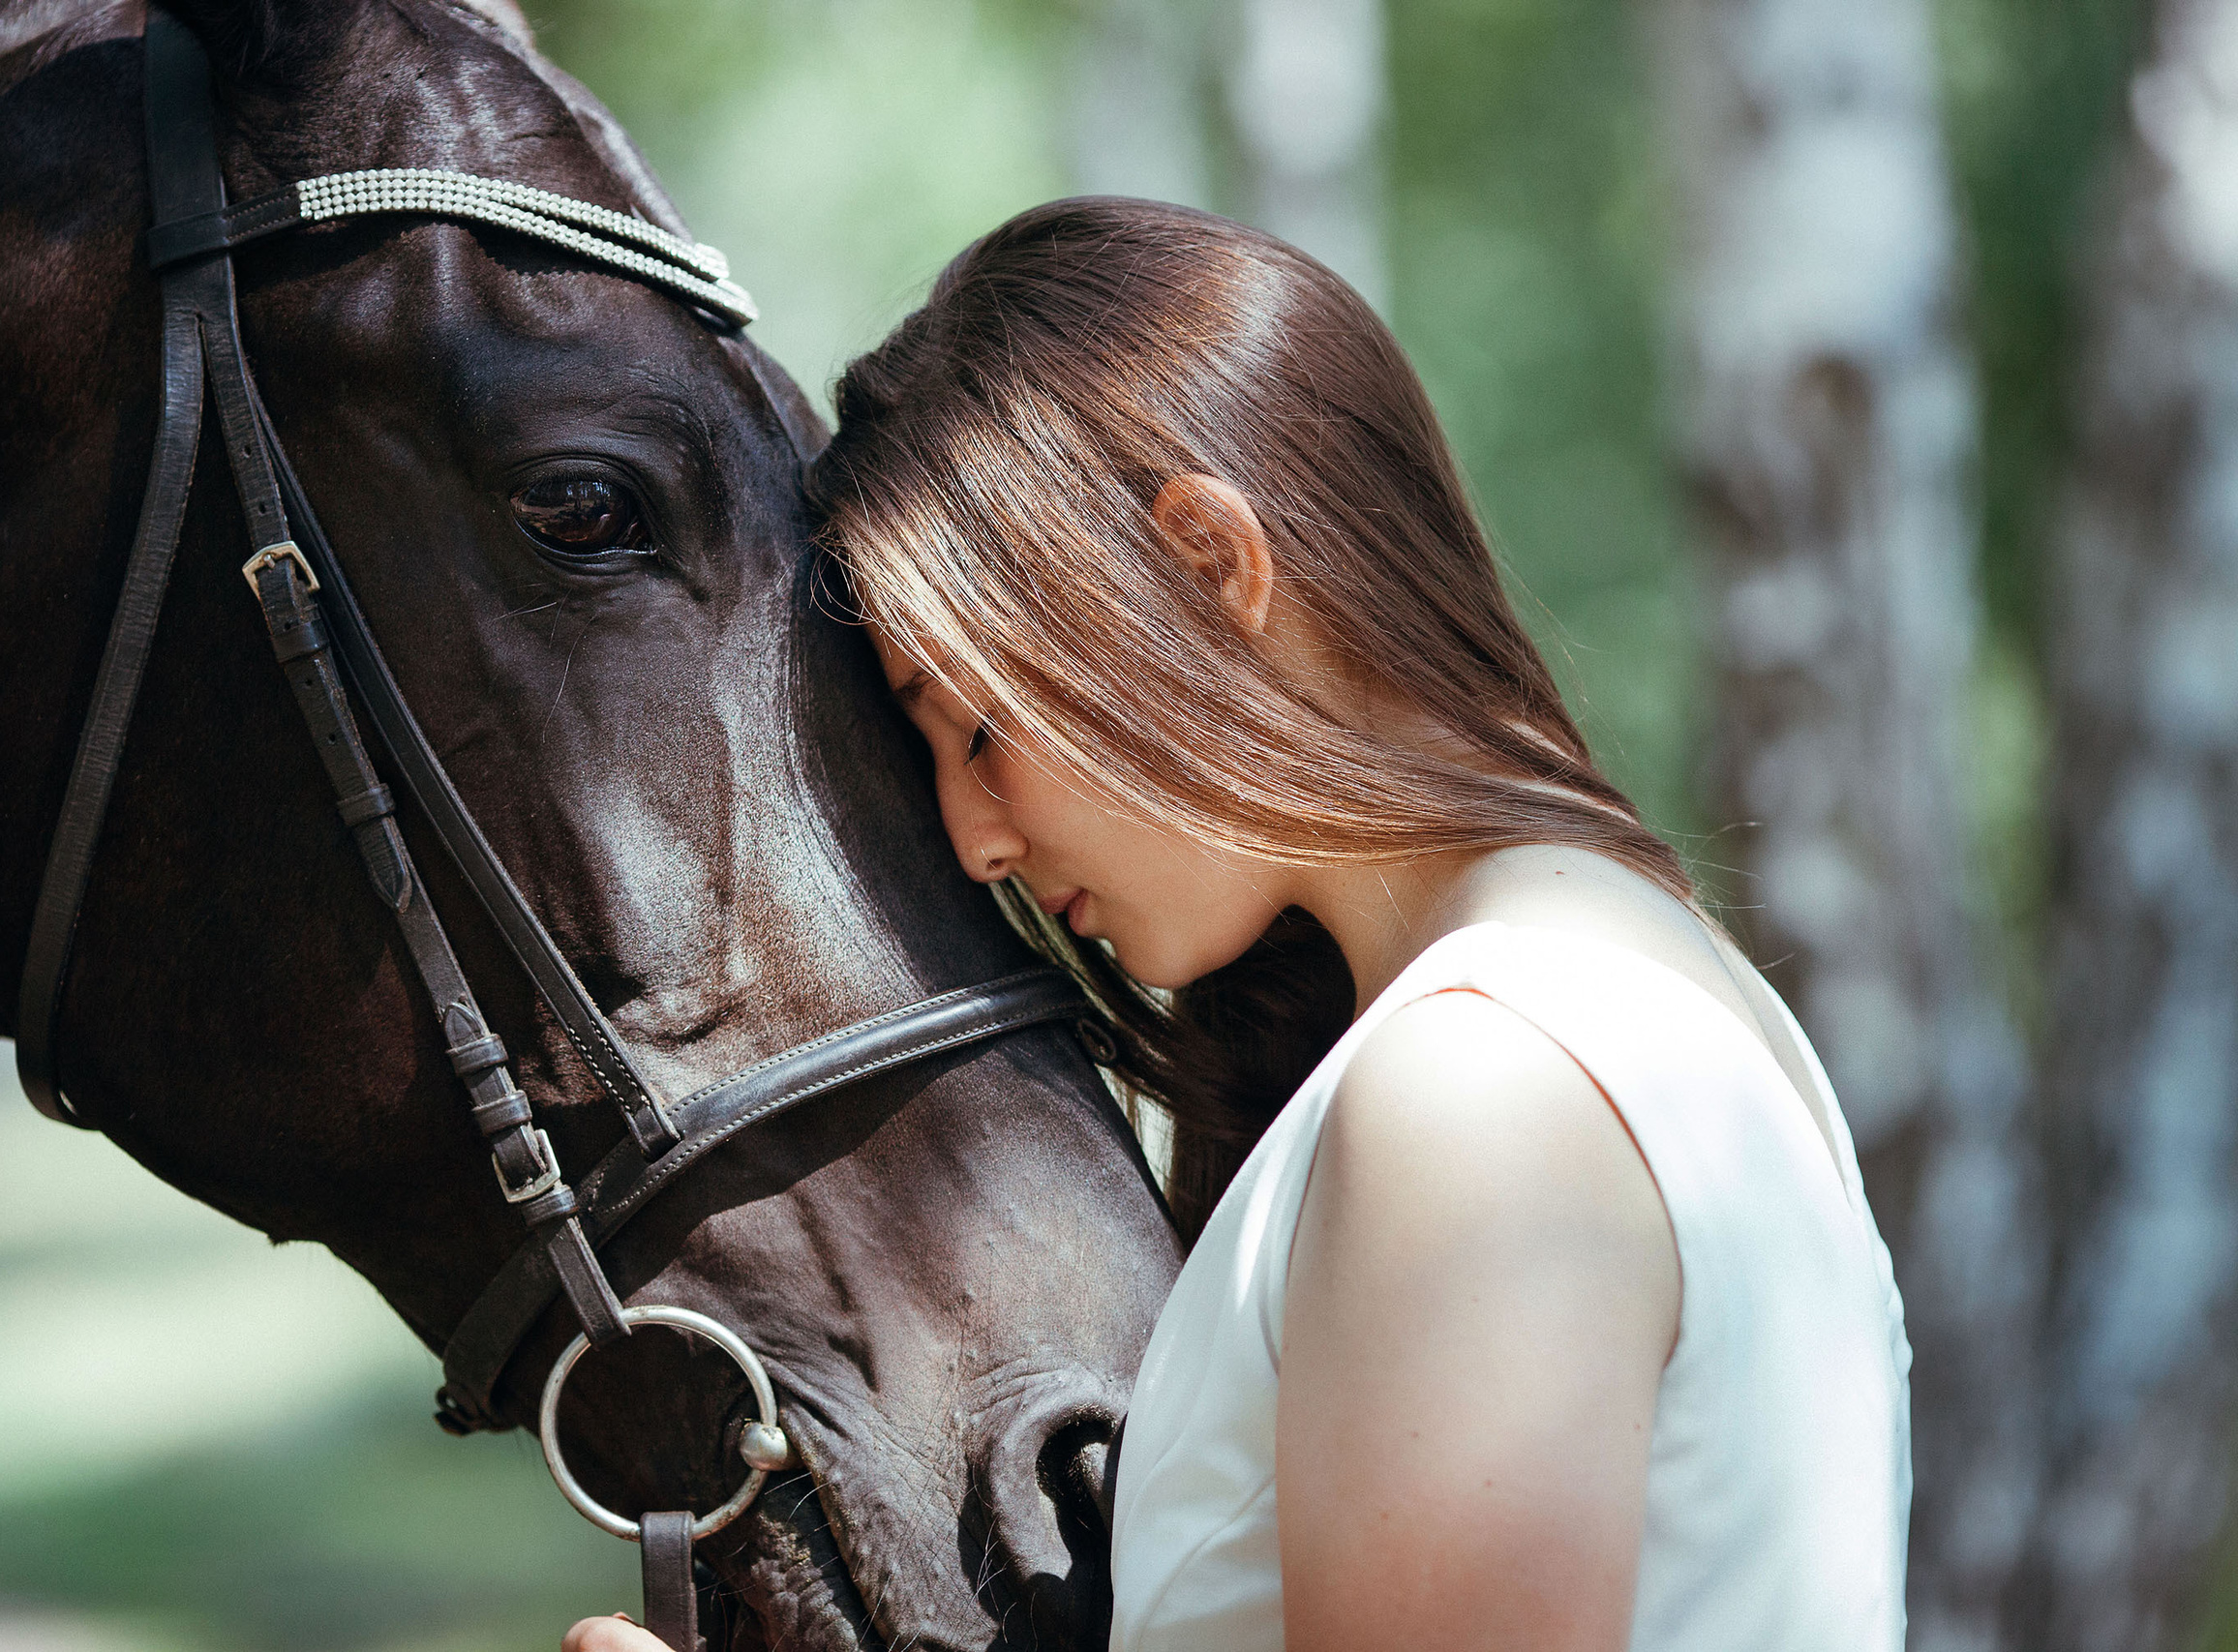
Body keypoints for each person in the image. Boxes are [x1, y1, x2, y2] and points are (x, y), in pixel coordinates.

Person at [565, 196, 1909, 1652]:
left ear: (1209, 559)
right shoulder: (1658, 1000)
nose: (977, 839)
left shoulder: (1482, 1097)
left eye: (980, 731)